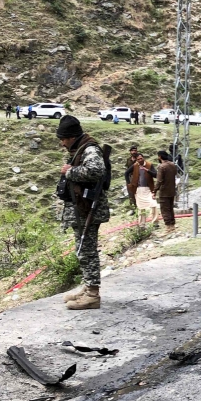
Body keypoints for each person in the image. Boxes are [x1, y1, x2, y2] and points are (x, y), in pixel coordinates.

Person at [56, 115, 109, 310]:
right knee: (83, 250)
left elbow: (96, 171)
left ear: (72, 137)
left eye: (63, 139)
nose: (62, 143)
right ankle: (88, 287)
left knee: (87, 251)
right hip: (82, 209)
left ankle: (92, 294)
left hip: (88, 210)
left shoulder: (89, 149)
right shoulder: (81, 149)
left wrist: (69, 171)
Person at [129, 152, 157, 225]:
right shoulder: (135, 166)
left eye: (141, 158)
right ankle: (142, 224)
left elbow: (156, 175)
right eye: (138, 159)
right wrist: (129, 183)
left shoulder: (149, 165)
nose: (140, 160)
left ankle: (155, 222)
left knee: (153, 204)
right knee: (141, 207)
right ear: (137, 160)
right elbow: (126, 173)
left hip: (148, 189)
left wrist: (147, 170)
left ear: (143, 158)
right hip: (138, 189)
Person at [154, 150, 177, 232]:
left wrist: (155, 190)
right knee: (170, 208)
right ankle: (172, 225)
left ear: (160, 157)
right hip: (172, 190)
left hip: (164, 191)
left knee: (164, 209)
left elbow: (159, 180)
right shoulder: (173, 165)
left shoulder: (161, 167)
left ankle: (168, 227)